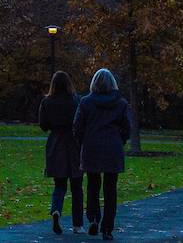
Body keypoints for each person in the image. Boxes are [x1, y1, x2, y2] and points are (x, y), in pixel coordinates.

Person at [73, 68, 132, 240]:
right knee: (110, 189)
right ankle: (107, 227)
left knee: (92, 185)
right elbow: (127, 128)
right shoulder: (120, 103)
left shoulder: (85, 102)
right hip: (112, 148)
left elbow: (77, 127)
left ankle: (93, 218)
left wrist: (83, 141)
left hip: (92, 147)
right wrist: (119, 140)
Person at [39, 70, 83, 235]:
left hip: (56, 143)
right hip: (73, 144)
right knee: (77, 186)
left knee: (59, 185)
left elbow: (43, 125)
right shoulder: (76, 101)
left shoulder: (46, 102)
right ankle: (78, 224)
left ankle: (56, 210)